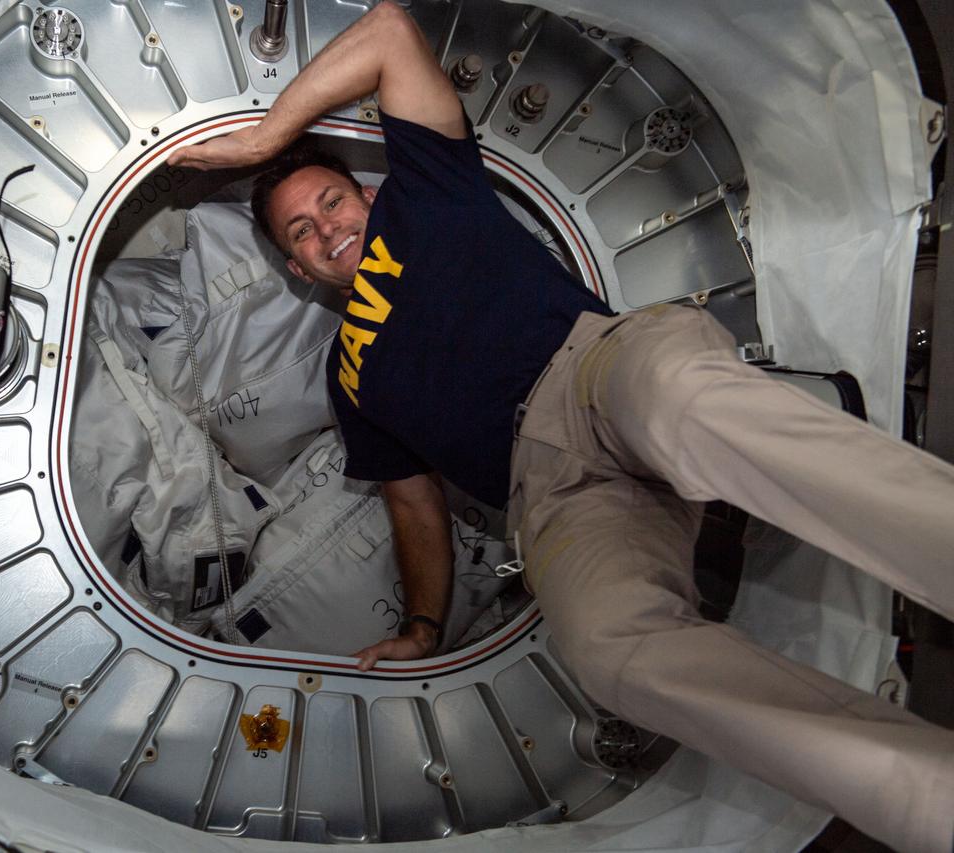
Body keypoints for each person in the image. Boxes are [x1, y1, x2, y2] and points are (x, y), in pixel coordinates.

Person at [170, 3, 954, 849]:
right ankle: (927, 795)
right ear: (296, 267)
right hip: (548, 497)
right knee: (612, 652)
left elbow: (391, 30)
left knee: (688, 406)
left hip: (594, 372)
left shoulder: (427, 188)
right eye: (304, 232)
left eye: (331, 201)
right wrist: (424, 630)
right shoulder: (346, 377)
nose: (329, 229)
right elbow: (414, 508)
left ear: (365, 191)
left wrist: (262, 139)